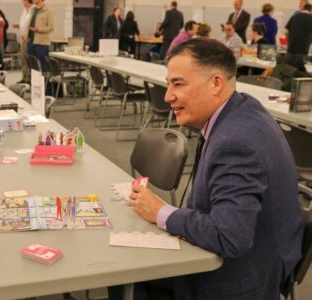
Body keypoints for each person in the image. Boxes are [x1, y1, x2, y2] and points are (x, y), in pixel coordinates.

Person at [111, 37, 304, 299]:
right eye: (169, 84)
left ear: (216, 84)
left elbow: (229, 236)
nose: (168, 96)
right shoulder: (241, 108)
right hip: (259, 251)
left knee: (129, 272)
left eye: (178, 83)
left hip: (241, 276)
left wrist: (161, 212)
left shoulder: (236, 142)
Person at [26, 0, 54, 71]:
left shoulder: (48, 11)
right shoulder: (32, 10)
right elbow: (29, 25)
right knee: (32, 66)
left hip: (42, 43)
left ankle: (45, 82)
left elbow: (51, 27)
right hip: (31, 42)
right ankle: (34, 82)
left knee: (43, 65)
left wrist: (38, 29)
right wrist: (26, 36)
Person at [12, 0, 34, 83]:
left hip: (29, 39)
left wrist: (29, 36)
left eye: (23, 1)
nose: (22, 2)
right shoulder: (25, 10)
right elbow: (24, 23)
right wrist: (19, 25)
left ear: (28, 1)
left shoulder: (33, 10)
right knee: (23, 58)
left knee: (29, 59)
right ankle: (24, 77)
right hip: (23, 38)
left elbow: (32, 25)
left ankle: (29, 78)